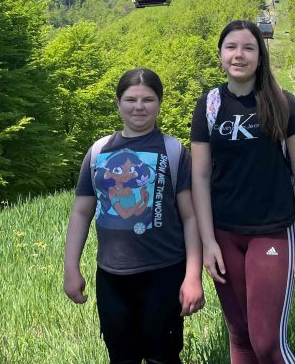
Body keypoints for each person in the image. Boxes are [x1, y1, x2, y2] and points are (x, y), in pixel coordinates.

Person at [190, 20, 295, 364]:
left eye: (248, 48)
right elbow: (199, 176)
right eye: (231, 47)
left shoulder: (283, 103)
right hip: (224, 235)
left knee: (267, 343)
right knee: (241, 338)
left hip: (272, 231)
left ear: (260, 57)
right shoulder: (208, 105)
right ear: (220, 55)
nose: (239, 55)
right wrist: (207, 242)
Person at [64, 68, 204, 364]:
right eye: (130, 99)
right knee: (121, 356)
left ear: (160, 103)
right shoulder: (98, 152)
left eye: (147, 99)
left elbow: (190, 218)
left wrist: (193, 277)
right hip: (111, 277)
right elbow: (81, 213)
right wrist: (70, 268)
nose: (139, 107)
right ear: (118, 103)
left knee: (163, 357)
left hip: (164, 273)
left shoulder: (174, 151)